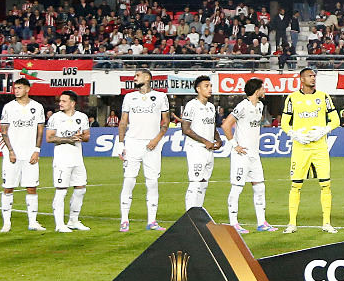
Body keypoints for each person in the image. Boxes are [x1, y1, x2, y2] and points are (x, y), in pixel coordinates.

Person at [281, 67, 339, 234]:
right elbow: (284, 123)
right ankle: (292, 223)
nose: (313, 78)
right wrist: (294, 134)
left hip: (320, 147)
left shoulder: (323, 96)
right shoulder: (292, 98)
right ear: (302, 79)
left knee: (326, 184)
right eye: (309, 76)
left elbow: (335, 119)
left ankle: (326, 223)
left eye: (314, 76)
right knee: (296, 185)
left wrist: (324, 130)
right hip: (300, 148)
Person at [116, 68, 171, 233]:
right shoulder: (129, 97)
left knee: (152, 182)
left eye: (137, 75)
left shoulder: (161, 97)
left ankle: (152, 221)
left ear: (147, 78)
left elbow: (166, 122)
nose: (134, 78)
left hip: (152, 145)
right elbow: (123, 122)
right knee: (129, 181)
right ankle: (124, 220)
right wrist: (120, 144)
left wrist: (156, 139)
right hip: (133, 143)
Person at [221, 77, 274, 233]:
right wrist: (234, 145)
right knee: (237, 188)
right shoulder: (243, 106)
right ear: (257, 91)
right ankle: (233, 223)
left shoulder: (260, 106)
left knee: (260, 187)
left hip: (254, 155)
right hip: (242, 155)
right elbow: (226, 125)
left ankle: (262, 222)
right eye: (263, 88)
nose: (265, 91)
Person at [0, 79, 47, 232]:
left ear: (27, 89)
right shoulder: (9, 107)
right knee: (8, 188)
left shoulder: (37, 107)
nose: (16, 90)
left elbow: (40, 130)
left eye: (19, 87)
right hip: (12, 154)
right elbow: (4, 131)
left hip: (30, 154)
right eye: (15, 88)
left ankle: (32, 222)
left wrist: (37, 150)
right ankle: (6, 223)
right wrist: (11, 151)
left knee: (32, 188)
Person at [46, 92, 93, 232]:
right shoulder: (55, 118)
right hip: (62, 160)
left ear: (72, 103)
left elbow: (87, 137)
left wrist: (80, 137)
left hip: (77, 159)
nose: (60, 103)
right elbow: (49, 138)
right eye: (60, 101)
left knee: (80, 188)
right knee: (61, 190)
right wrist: (68, 139)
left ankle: (73, 220)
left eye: (64, 101)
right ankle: (59, 224)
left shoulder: (82, 117)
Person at [178, 75, 224, 213]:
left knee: (204, 182)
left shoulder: (211, 107)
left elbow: (212, 126)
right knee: (195, 181)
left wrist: (218, 139)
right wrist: (205, 141)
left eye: (210, 86)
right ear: (198, 89)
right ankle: (190, 215)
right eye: (206, 86)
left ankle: (197, 212)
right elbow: (186, 129)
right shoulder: (192, 105)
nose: (210, 89)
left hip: (208, 150)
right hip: (196, 148)